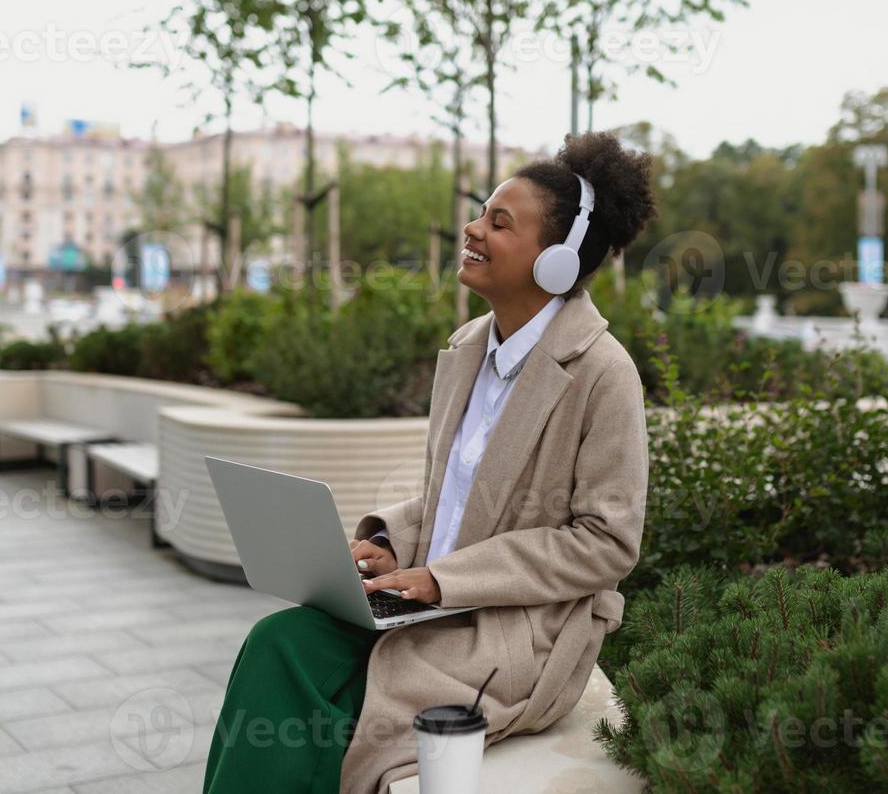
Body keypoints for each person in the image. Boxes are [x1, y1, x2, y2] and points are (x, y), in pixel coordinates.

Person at [202, 130, 658, 794]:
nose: (471, 229)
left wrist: (443, 580)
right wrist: (392, 545)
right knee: (280, 643)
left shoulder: (602, 373)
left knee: (337, 711)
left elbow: (606, 544)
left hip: (517, 629)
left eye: (498, 222)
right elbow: (454, 496)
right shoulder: (470, 345)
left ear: (557, 259)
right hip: (428, 603)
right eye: (481, 212)